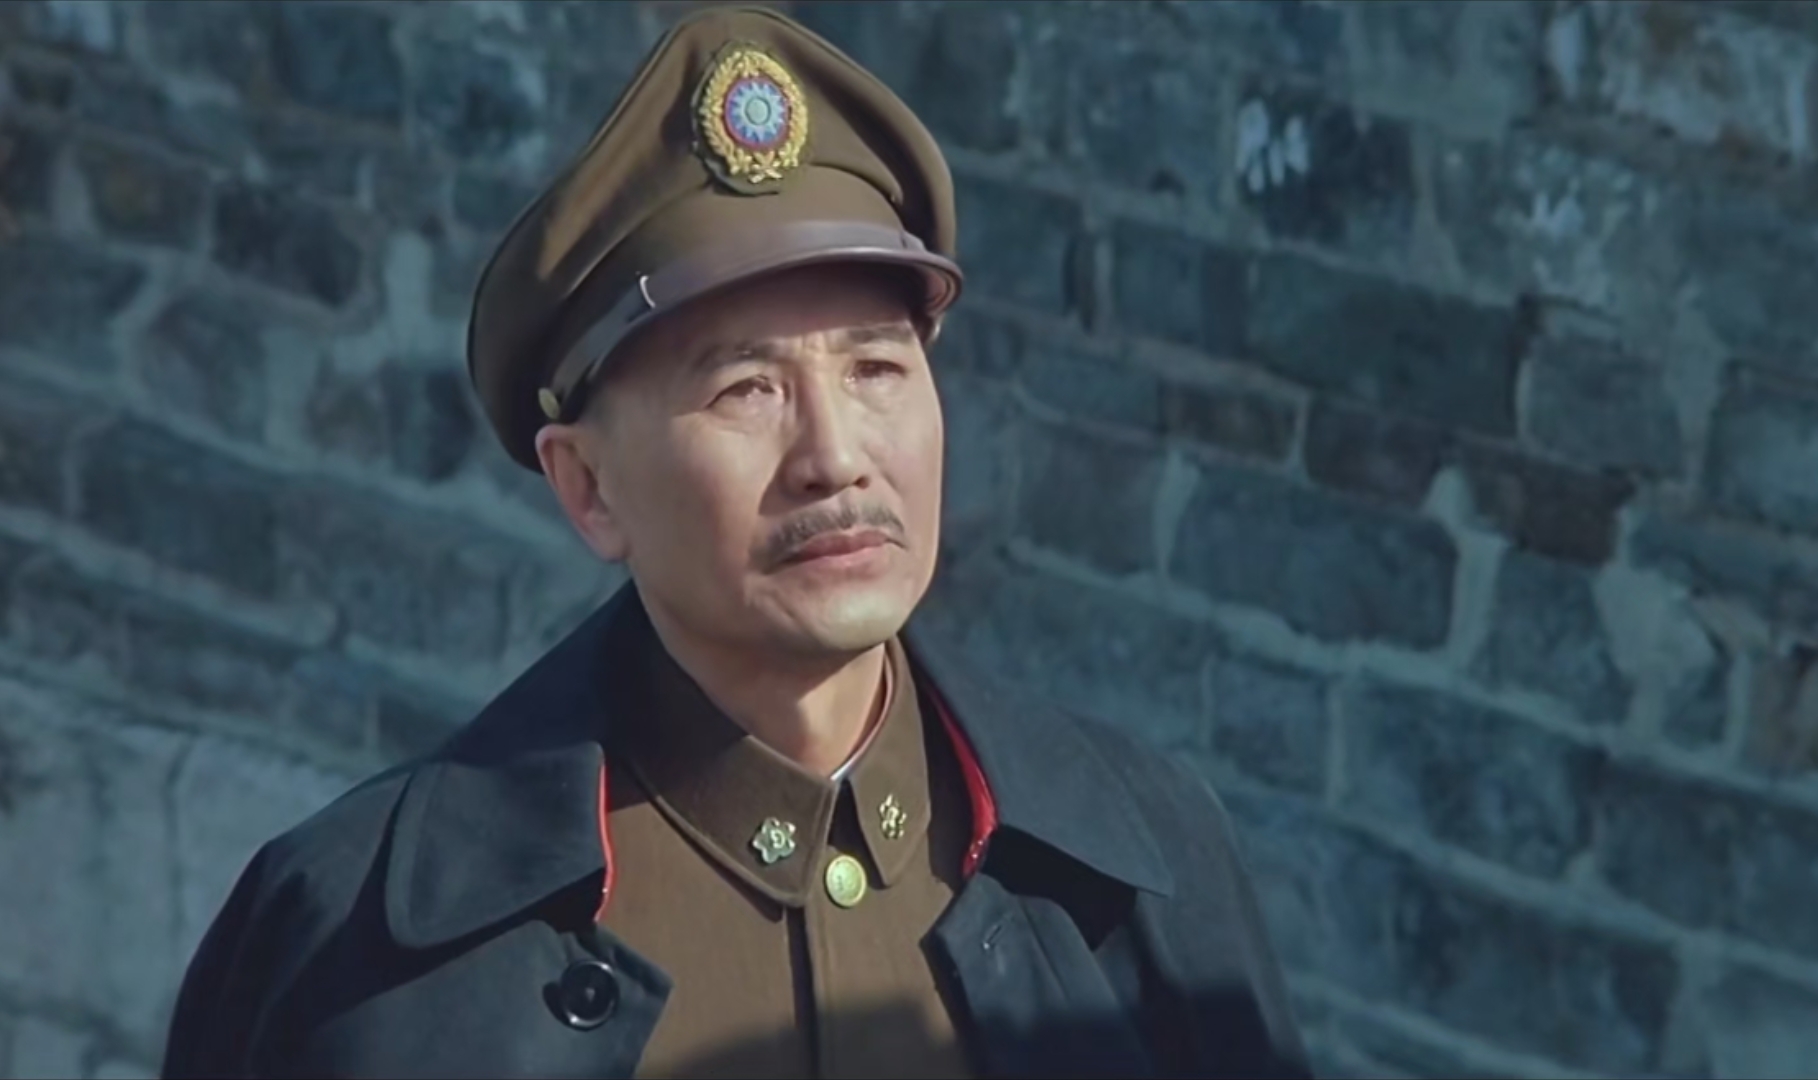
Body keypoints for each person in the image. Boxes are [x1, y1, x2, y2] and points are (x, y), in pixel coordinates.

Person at [159, 7, 1314, 1078]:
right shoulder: (357, 952)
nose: (835, 457)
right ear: (588, 487)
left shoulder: (1138, 867)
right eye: (747, 391)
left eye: (876, 369)